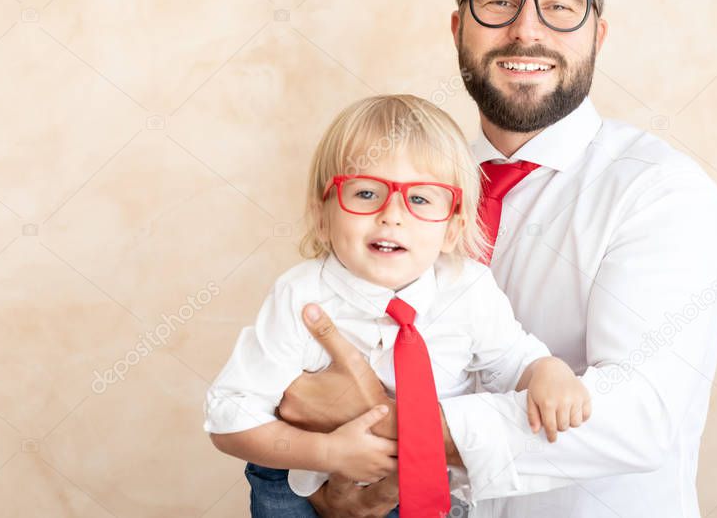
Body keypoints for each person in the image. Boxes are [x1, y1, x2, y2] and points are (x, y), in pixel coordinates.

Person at [275, 0, 717, 518]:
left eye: (562, 3)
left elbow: (638, 415)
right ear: (459, 24)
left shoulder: (661, 193)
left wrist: (390, 424)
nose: (527, 30)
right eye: (498, 0)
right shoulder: (414, 187)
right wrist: (342, 478)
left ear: (597, 32)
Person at [204, 94, 592, 517]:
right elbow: (229, 417)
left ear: (453, 227)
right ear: (322, 213)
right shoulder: (300, 296)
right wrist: (328, 451)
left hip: (426, 487)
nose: (392, 214)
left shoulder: (469, 289)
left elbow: (515, 361)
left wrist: (548, 373)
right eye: (367, 192)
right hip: (300, 483)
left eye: (421, 199)